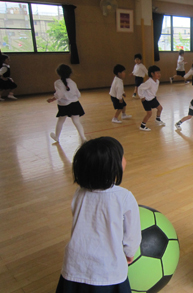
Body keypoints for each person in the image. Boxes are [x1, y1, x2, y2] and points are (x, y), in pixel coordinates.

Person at [55, 137, 141, 293]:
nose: (125, 160)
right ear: (112, 167)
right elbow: (132, 234)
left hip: (74, 264)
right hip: (108, 269)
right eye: (122, 156)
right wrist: (129, 253)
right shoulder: (124, 197)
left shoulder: (79, 193)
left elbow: (77, 216)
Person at [47, 64, 86, 143]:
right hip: (75, 104)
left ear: (59, 73)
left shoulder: (57, 83)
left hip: (63, 105)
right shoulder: (73, 82)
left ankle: (57, 137)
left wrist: (52, 99)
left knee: (61, 120)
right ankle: (83, 138)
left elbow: (59, 94)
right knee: (76, 121)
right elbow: (78, 94)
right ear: (70, 73)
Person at [138, 65, 165, 131]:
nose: (159, 74)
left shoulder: (157, 81)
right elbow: (140, 88)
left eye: (159, 73)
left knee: (160, 108)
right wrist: (142, 97)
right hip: (146, 100)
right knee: (149, 113)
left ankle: (157, 119)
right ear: (152, 74)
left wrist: (154, 95)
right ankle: (142, 126)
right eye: (157, 73)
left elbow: (153, 90)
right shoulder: (149, 82)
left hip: (153, 98)